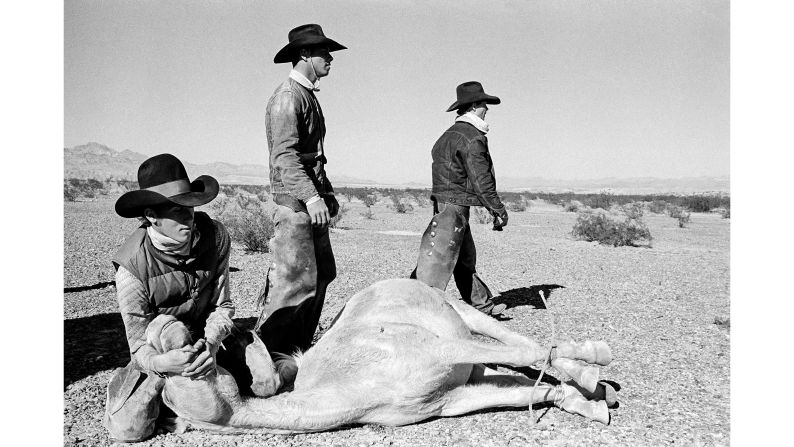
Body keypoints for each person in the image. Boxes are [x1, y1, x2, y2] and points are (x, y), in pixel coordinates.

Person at [103, 154, 276, 443]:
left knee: (267, 384)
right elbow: (138, 346)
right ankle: (137, 387)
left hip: (209, 341)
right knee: (128, 430)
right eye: (176, 209)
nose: (189, 216)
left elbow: (223, 306)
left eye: (190, 206)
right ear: (150, 215)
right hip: (164, 349)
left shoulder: (216, 237)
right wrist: (164, 363)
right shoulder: (132, 269)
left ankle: (186, 397)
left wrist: (210, 344)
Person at [254, 24, 346, 387]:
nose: (330, 59)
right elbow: (285, 157)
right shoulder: (287, 98)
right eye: (324, 53)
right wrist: (310, 198)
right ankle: (262, 365)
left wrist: (325, 194)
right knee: (292, 285)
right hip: (295, 207)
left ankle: (296, 355)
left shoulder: (306, 96)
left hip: (308, 202)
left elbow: (312, 158)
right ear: (306, 55)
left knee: (322, 275)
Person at [411, 81, 509, 317]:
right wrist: (497, 208)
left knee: (458, 255)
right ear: (475, 106)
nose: (487, 109)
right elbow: (480, 178)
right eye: (484, 104)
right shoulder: (472, 137)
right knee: (439, 258)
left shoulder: (447, 135)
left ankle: (481, 304)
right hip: (454, 204)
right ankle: (410, 301)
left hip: (445, 202)